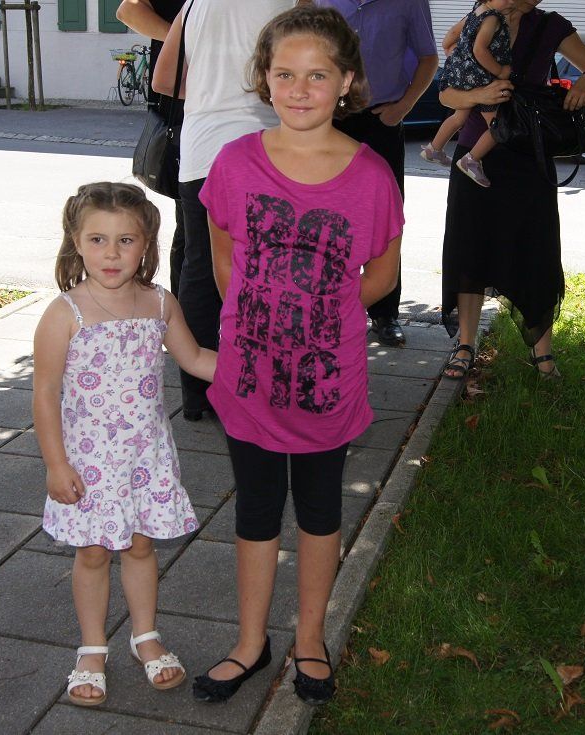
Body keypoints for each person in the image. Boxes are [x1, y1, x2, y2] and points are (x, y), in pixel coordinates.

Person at [193, 6, 403, 706]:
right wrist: (260, 321)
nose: (300, 89)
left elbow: (383, 275)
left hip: (326, 381)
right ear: (264, 78)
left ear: (346, 81)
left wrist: (324, 313)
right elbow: (225, 260)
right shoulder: (234, 163)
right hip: (249, 375)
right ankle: (251, 643)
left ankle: (310, 637)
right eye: (285, 74)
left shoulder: (371, 176)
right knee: (255, 507)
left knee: (318, 509)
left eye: (317, 75)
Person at [33, 182, 216, 707]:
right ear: (76, 242)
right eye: (97, 240)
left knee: (140, 545)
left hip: (145, 458)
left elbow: (195, 359)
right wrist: (55, 464)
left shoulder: (159, 303)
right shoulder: (65, 313)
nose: (111, 254)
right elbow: (44, 393)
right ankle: (92, 649)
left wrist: (253, 371)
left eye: (125, 240)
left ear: (146, 245)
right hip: (88, 463)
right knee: (93, 552)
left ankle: (145, 635)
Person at [438, 0, 585, 381]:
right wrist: (479, 96)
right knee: (469, 247)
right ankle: (465, 345)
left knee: (537, 249)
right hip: (474, 154)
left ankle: (543, 354)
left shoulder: (550, 25)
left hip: (529, 153)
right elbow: (447, 93)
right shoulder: (479, 15)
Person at [151, 0, 294, 421]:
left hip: (200, 151)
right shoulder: (289, 2)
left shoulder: (195, 3)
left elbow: (164, 79)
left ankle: (197, 395)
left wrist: (211, 93)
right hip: (262, 146)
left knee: (199, 267)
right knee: (266, 272)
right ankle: (259, 386)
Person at [315, 0, 437, 347]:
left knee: (384, 218)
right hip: (329, 118)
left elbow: (429, 58)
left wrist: (404, 107)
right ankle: (325, 307)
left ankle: (385, 314)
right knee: (323, 215)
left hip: (381, 120)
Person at [116, 0, 187, 296]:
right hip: (183, 109)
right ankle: (184, 317)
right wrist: (182, 41)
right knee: (192, 228)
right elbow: (128, 10)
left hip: (223, 111)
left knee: (195, 230)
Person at [420, 0, 514, 188]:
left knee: (459, 117)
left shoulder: (478, 9)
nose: (511, 1)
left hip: (464, 76)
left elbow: (454, 36)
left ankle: (434, 149)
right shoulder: (492, 18)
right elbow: (479, 49)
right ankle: (471, 160)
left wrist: (455, 54)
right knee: (497, 126)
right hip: (482, 80)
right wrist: (500, 70)